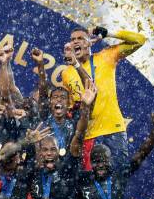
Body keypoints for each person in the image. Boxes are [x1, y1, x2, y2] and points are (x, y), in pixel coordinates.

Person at [62, 25, 146, 172]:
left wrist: (109, 33)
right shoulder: (67, 73)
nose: (76, 42)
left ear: (90, 43)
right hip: (88, 135)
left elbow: (139, 40)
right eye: (73, 39)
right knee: (91, 184)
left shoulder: (106, 56)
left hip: (113, 130)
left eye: (80, 39)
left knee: (117, 178)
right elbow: (71, 107)